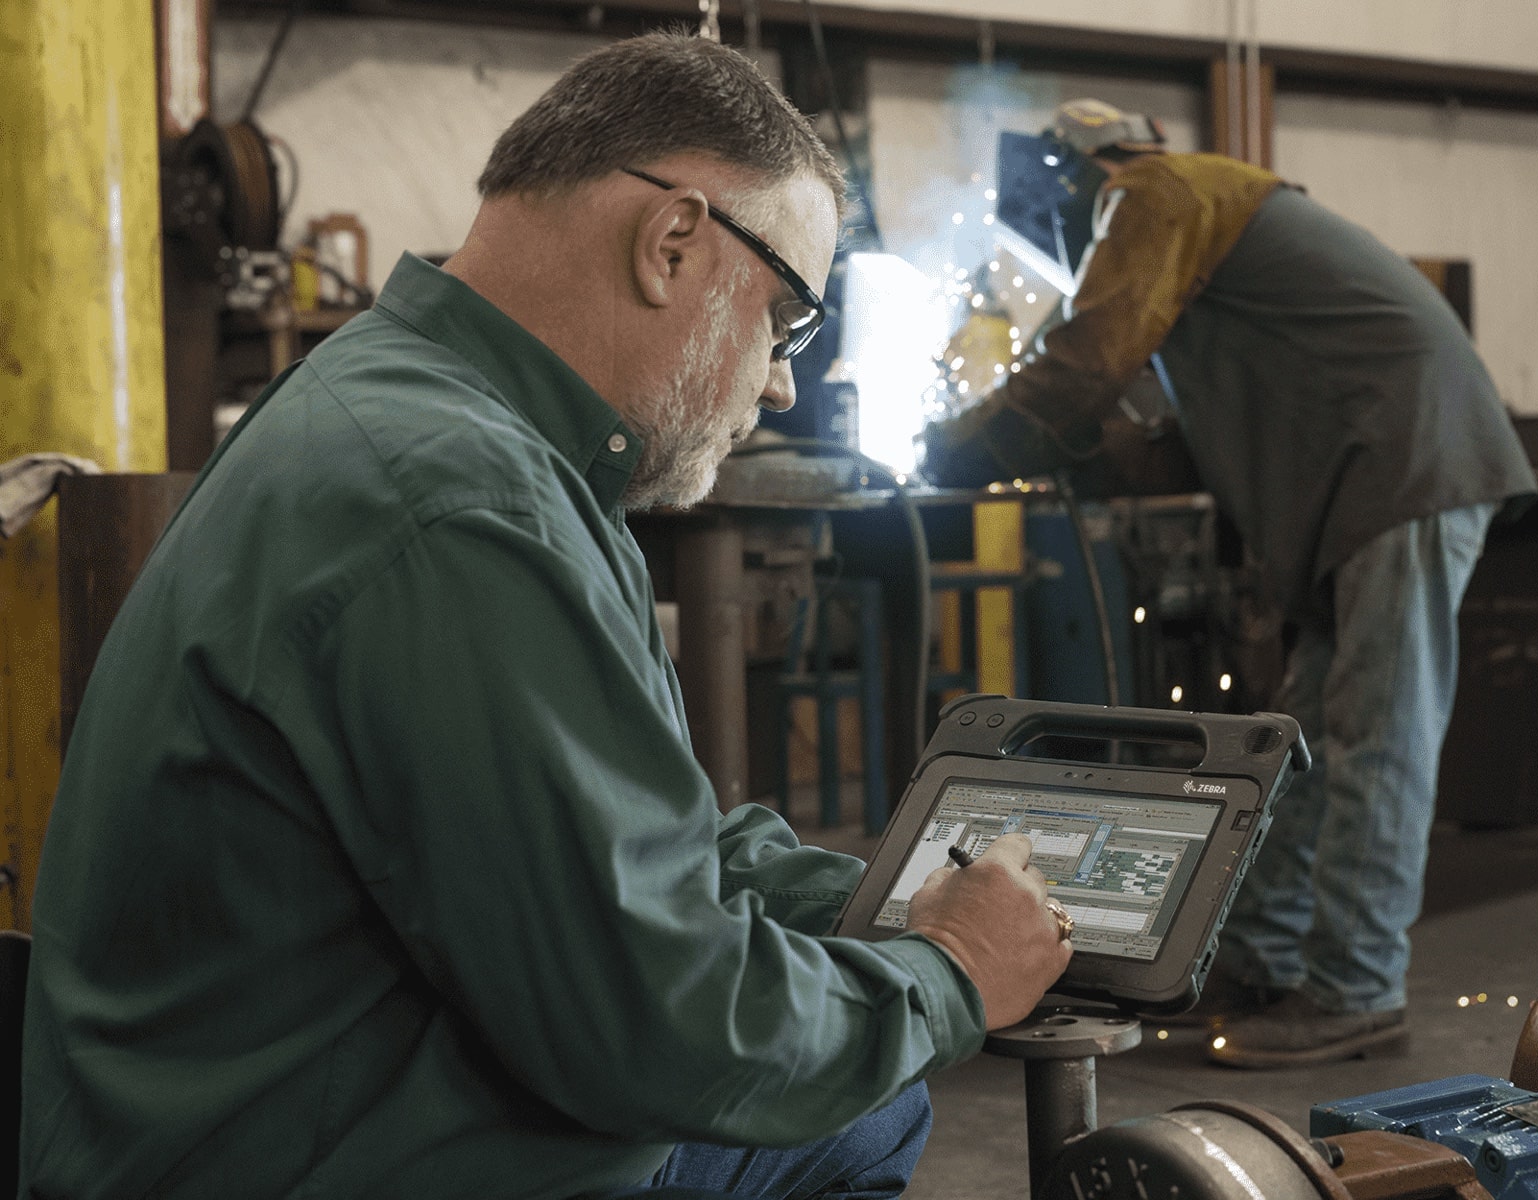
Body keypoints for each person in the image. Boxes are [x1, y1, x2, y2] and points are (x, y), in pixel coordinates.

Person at [22, 34, 1073, 1198]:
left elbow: (621, 840)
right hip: (312, 1155)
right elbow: (666, 1031)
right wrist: (955, 968)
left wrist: (880, 904)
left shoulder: (411, 408)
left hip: (260, 1107)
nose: (780, 382)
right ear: (673, 242)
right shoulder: (469, 509)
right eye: (786, 320)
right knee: (865, 1103)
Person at [919, 99, 1537, 1069]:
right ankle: (1264, 960)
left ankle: (1356, 992)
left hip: (1402, 460)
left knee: (1375, 738)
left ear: (1071, 173)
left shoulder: (1153, 192)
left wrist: (957, 442)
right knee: (1313, 744)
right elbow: (1153, 431)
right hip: (1366, 475)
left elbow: (1088, 354)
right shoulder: (1200, 232)